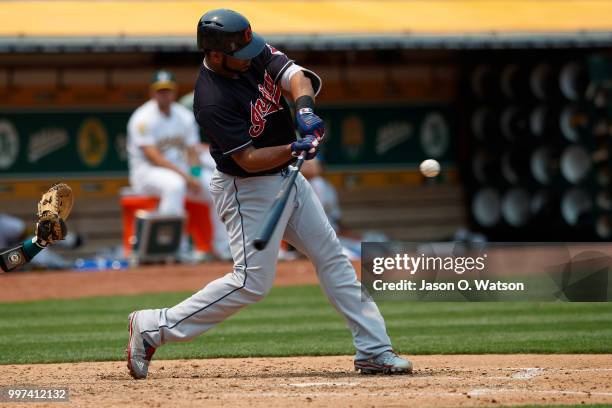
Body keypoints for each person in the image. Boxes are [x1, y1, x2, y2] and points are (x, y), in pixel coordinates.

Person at [126, 9, 412, 379]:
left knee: (332, 257)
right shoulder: (211, 98)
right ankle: (152, 327)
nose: (249, 59)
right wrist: (294, 149)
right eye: (238, 55)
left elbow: (295, 76)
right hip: (246, 188)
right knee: (251, 283)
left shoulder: (248, 49)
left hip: (284, 176)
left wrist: (305, 112)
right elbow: (247, 159)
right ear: (215, 55)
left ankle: (374, 350)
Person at [126, 70, 230, 259]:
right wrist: (187, 177)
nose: (164, 94)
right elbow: (153, 157)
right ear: (152, 93)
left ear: (174, 92)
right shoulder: (142, 118)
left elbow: (191, 151)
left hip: (181, 170)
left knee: (217, 187)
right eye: (160, 91)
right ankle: (173, 247)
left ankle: (222, 246)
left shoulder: (183, 116)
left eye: (167, 90)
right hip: (147, 173)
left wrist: (196, 174)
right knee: (175, 185)